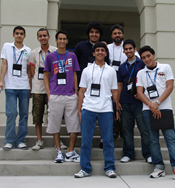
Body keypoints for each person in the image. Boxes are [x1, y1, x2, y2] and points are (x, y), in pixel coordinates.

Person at [136, 45, 175, 182]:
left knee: (171, 139)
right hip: (148, 110)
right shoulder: (141, 73)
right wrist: (151, 105)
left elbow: (170, 87)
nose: (146, 59)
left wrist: (157, 103)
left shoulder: (165, 67)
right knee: (153, 140)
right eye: (143, 58)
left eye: (148, 56)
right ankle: (159, 167)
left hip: (165, 108)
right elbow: (139, 92)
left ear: (153, 55)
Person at [74, 42, 119, 178]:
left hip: (106, 109)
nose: (100, 52)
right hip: (88, 108)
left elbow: (114, 91)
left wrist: (116, 108)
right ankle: (85, 168)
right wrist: (80, 108)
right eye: (97, 50)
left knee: (108, 140)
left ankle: (110, 167)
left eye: (102, 50)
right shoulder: (87, 70)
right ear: (93, 53)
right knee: (86, 141)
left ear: (106, 53)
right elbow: (82, 91)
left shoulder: (111, 71)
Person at [44, 30, 80, 163]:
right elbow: (46, 75)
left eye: (65, 39)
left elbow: (75, 74)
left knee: (74, 124)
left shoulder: (72, 56)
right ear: (56, 40)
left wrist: (75, 92)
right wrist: (49, 93)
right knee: (55, 124)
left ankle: (70, 151)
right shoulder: (50, 57)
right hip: (56, 95)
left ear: (67, 41)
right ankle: (59, 151)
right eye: (60, 39)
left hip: (70, 95)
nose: (62, 41)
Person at [29, 28, 68, 151]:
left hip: (54, 89)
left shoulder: (56, 51)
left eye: (44, 35)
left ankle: (58, 141)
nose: (43, 38)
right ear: (37, 38)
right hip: (38, 89)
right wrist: (31, 87)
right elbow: (31, 71)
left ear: (49, 37)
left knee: (55, 116)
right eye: (40, 36)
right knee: (37, 116)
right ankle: (39, 140)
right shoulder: (34, 53)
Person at [75, 21, 109, 148]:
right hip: (85, 83)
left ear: (100, 34)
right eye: (92, 32)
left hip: (101, 84)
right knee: (85, 111)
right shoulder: (80, 46)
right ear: (88, 34)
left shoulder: (104, 48)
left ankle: (102, 138)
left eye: (97, 32)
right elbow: (75, 65)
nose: (94, 34)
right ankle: (84, 137)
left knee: (102, 110)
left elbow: (108, 63)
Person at [117, 39, 151, 163]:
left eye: (130, 48)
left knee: (144, 129)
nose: (128, 51)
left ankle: (147, 154)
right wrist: (118, 101)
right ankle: (129, 153)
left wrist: (143, 95)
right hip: (125, 102)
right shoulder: (122, 67)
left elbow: (148, 79)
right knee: (127, 130)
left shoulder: (142, 63)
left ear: (135, 49)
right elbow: (120, 85)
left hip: (139, 102)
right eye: (126, 49)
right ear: (124, 51)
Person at [0, 26, 31, 151]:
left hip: (24, 87)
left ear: (24, 36)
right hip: (10, 86)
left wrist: (30, 86)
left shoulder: (27, 50)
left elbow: (28, 69)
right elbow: (4, 64)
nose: (19, 35)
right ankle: (10, 140)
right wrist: (1, 81)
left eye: (21, 33)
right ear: (13, 35)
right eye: (17, 33)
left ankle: (21, 140)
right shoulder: (7, 46)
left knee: (24, 115)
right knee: (11, 113)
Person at [108, 24, 139, 139]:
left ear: (123, 34)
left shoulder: (128, 47)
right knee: (113, 104)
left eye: (119, 33)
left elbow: (137, 63)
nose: (117, 35)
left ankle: (123, 129)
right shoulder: (108, 48)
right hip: (111, 80)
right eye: (115, 33)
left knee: (123, 105)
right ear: (111, 35)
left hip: (126, 81)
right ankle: (115, 128)